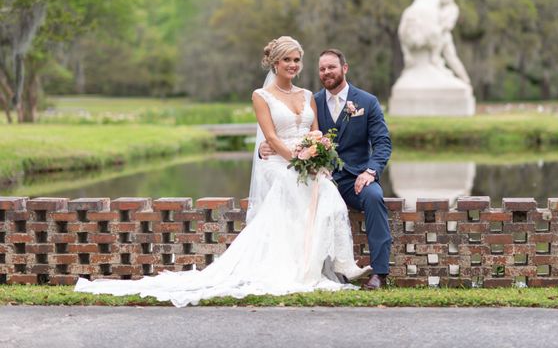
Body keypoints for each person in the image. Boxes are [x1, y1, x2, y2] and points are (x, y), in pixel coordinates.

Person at [75, 36, 370, 307]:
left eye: (296, 60)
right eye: (287, 60)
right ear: (275, 63)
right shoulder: (261, 96)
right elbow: (271, 138)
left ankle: (342, 263)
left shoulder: (308, 95)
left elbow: (315, 130)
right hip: (280, 163)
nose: (293, 65)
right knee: (294, 187)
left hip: (307, 162)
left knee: (329, 193)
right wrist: (296, 159)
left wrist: (315, 153)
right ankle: (299, 269)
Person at [260, 48, 393, 289]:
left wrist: (370, 171)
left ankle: (380, 273)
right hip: (318, 178)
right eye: (322, 69)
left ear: (344, 68)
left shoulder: (367, 102)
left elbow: (383, 143)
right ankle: (319, 271)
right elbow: (288, 131)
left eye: (331, 67)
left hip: (355, 180)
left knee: (374, 198)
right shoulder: (312, 101)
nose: (326, 72)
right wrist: (264, 146)